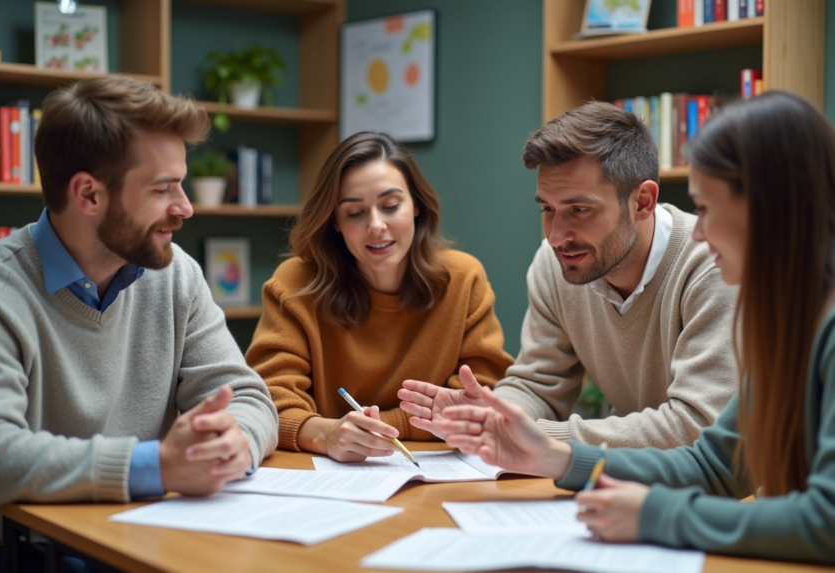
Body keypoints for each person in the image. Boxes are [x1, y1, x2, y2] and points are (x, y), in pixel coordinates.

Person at [439, 91, 835, 563]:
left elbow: (826, 520)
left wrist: (657, 515)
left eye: (707, 208)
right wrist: (556, 458)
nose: (701, 231)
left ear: (769, 208)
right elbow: (713, 466)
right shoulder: (792, 322)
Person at [0, 76, 278, 571]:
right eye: (163, 189)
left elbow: (246, 396)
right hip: (16, 551)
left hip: (142, 534)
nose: (186, 207)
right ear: (89, 194)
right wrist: (156, 466)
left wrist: (231, 444)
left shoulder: (176, 274)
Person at [399, 101, 738, 449]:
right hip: (635, 480)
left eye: (579, 210)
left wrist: (536, 437)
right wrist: (494, 417)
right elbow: (539, 384)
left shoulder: (716, 264)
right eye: (548, 209)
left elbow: (699, 425)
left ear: (643, 202)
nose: (556, 236)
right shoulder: (555, 264)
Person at [244, 132, 513, 462]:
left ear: (416, 205)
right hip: (327, 477)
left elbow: (477, 399)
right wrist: (327, 434)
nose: (376, 225)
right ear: (335, 223)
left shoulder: (463, 279)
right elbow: (269, 401)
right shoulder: (296, 284)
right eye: (355, 212)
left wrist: (378, 427)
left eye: (390, 206)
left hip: (438, 473)